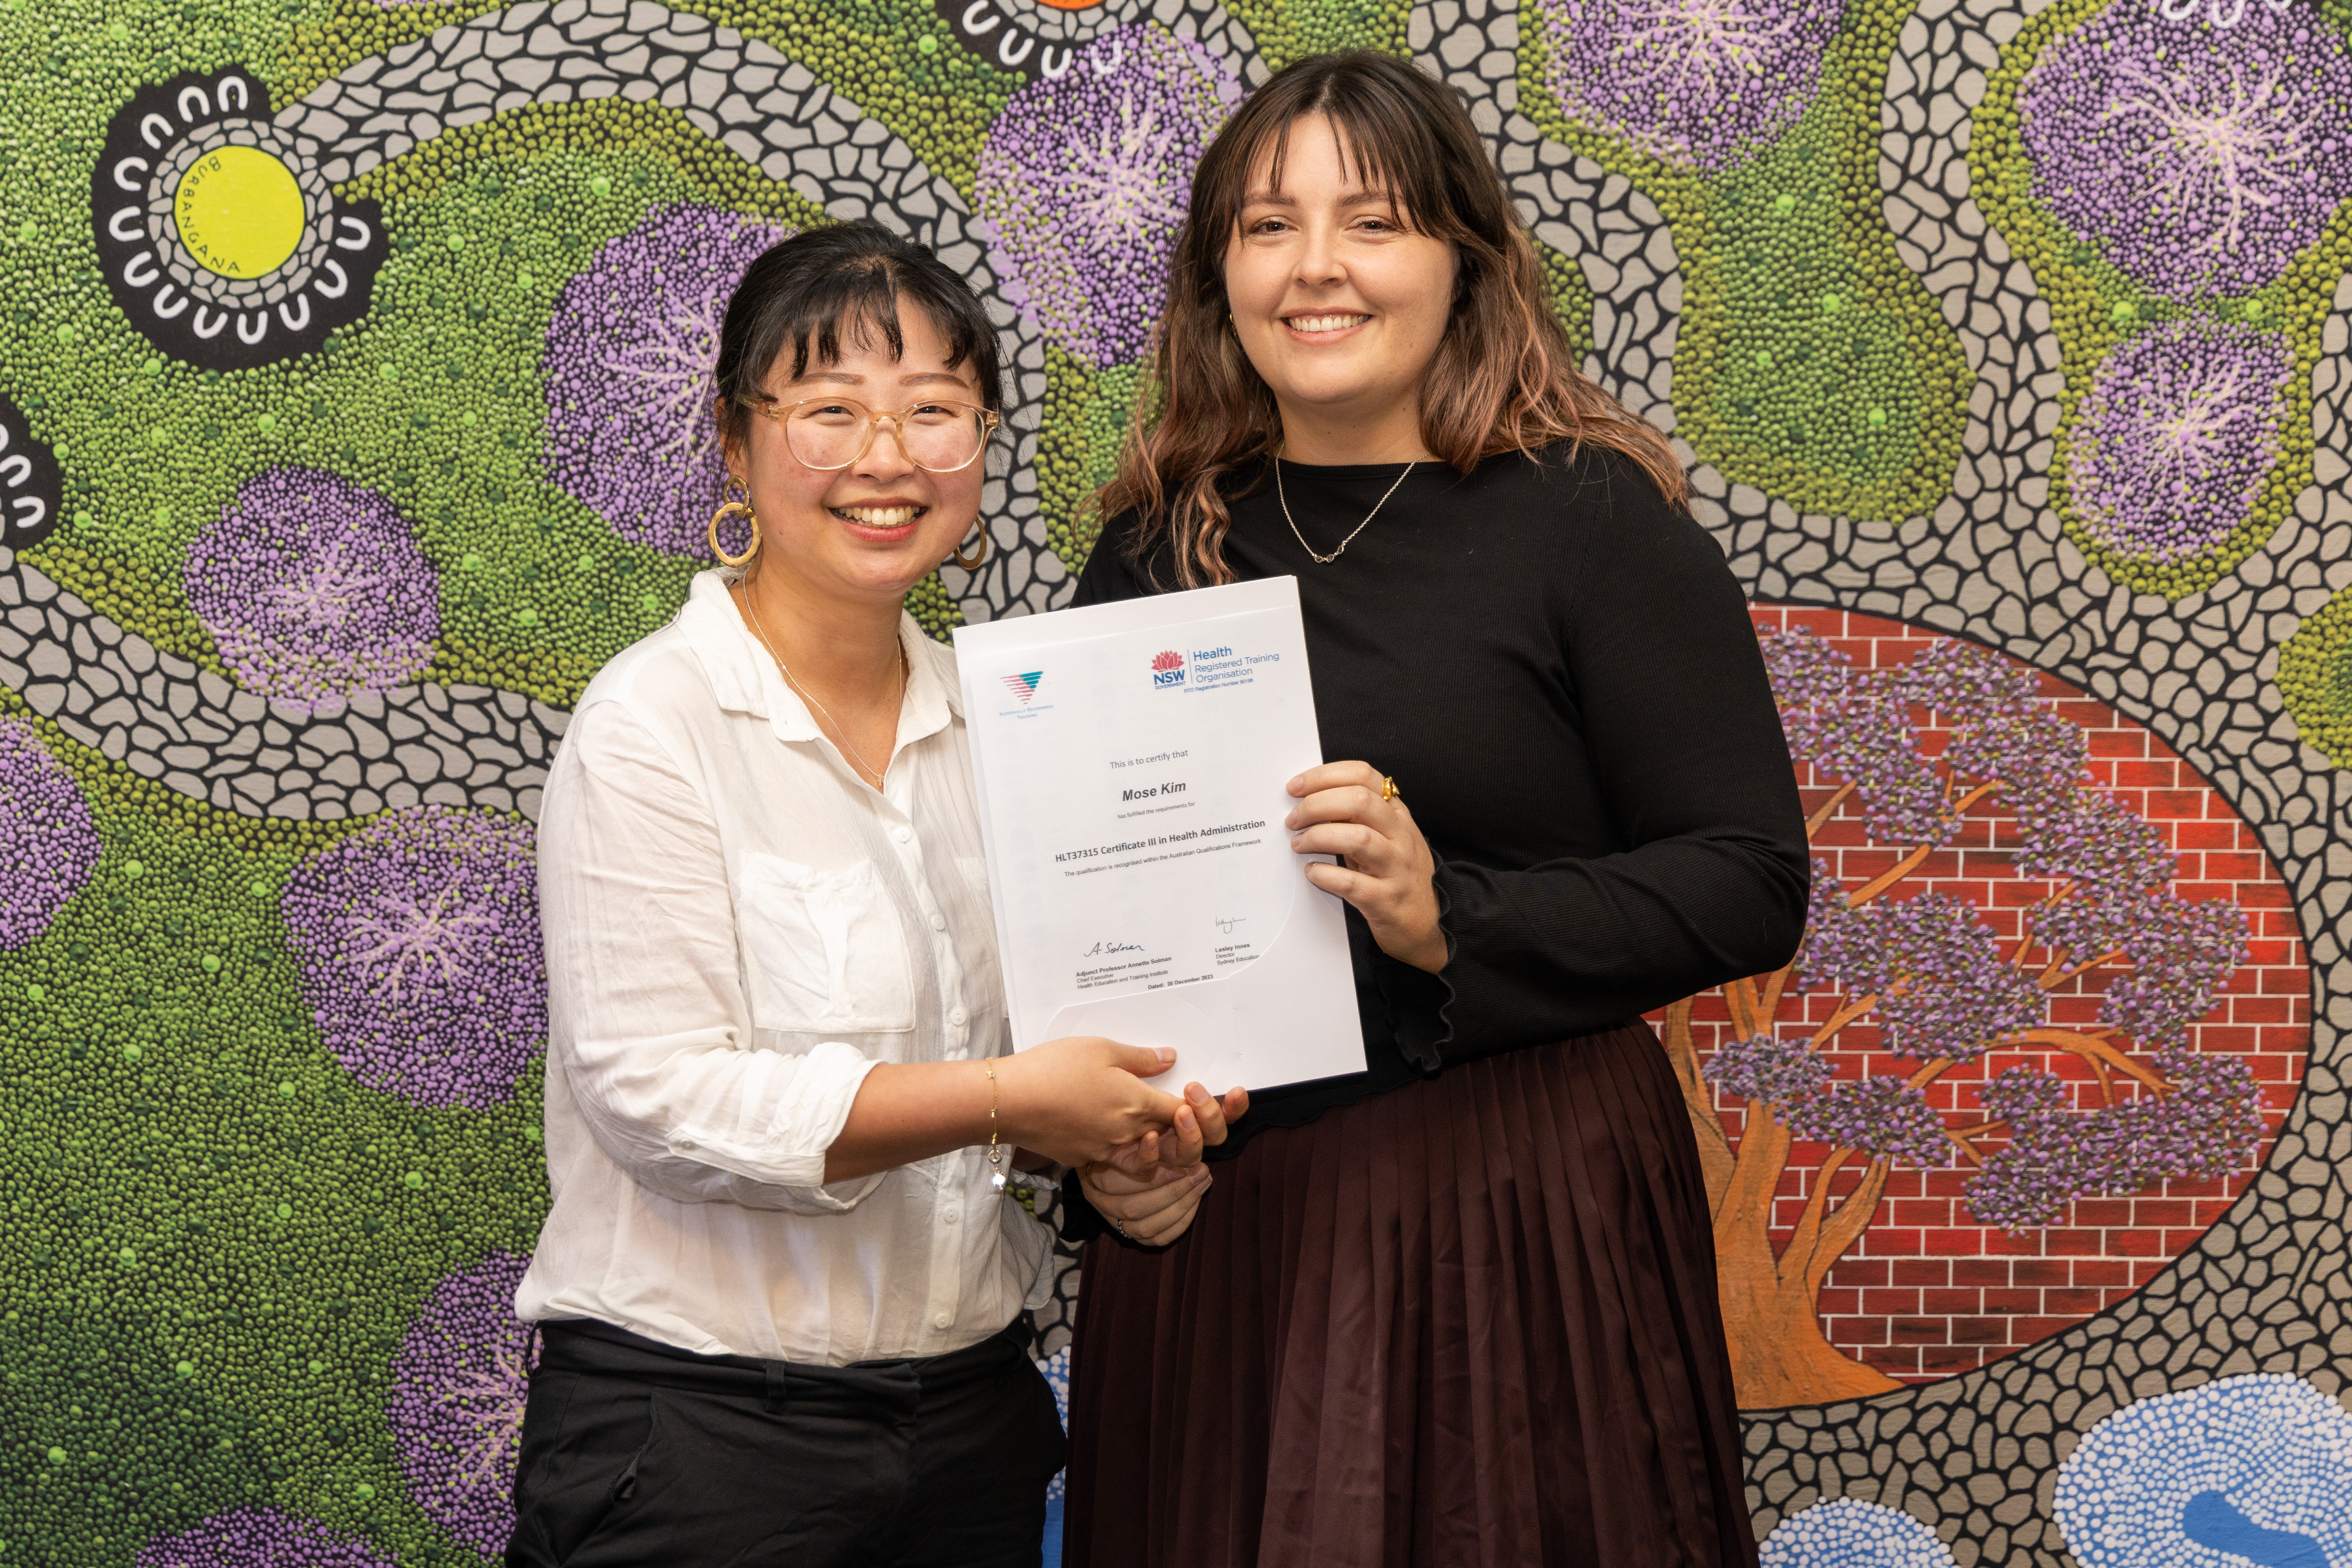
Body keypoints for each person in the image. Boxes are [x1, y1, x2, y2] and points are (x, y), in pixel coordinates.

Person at [1058, 52, 1810, 1568]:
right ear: (1221, 274)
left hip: (1518, 1213)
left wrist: (1440, 914)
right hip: (1226, 1229)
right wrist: (1109, 1157)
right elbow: (1094, 930)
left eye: (1375, 221)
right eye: (1268, 227)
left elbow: (1747, 878)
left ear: (1464, 260)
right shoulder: (1156, 551)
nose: (1317, 267)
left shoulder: (1592, 520)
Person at [506, 221, 1243, 1568]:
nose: (887, 458)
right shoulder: (653, 726)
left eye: (935, 411)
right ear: (737, 444)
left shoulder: (1009, 731)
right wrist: (1014, 1098)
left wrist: (1121, 1147)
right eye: (829, 410)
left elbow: (1037, 1067)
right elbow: (659, 1098)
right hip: (700, 1453)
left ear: (982, 443)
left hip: (974, 1431)